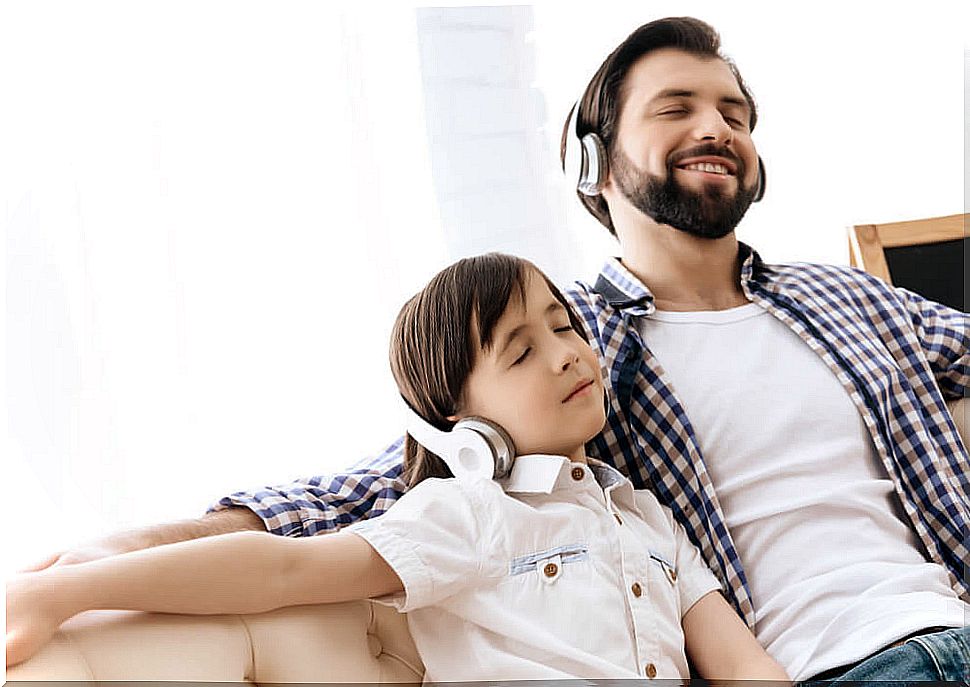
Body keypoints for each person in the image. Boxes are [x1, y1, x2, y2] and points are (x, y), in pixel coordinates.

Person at [24, 16, 969, 683]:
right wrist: (80, 569)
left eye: (735, 111)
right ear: (592, 164)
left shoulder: (852, 299)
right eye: (676, 106)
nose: (717, 126)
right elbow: (341, 502)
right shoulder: (579, 355)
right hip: (848, 665)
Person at [6, 253, 791, 681]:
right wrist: (64, 589)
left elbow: (741, 664)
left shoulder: (650, 519)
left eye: (563, 325)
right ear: (459, 422)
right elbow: (279, 571)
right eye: (521, 350)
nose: (565, 355)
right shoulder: (472, 513)